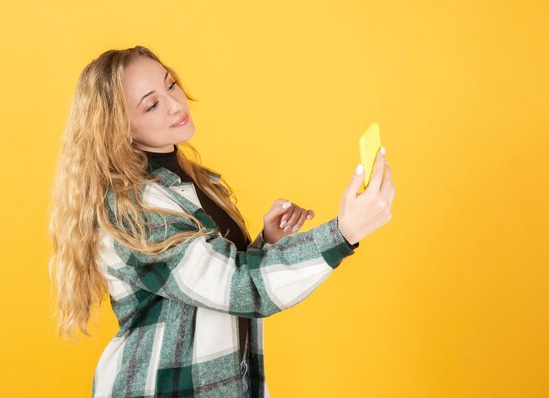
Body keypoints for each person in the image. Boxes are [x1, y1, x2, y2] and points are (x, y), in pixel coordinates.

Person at [48, 45, 395, 398]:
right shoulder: (132, 209)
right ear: (119, 130)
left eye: (170, 85)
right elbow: (239, 287)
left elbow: (216, 281)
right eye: (151, 104)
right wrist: (344, 232)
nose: (175, 103)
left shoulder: (194, 182)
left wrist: (265, 243)